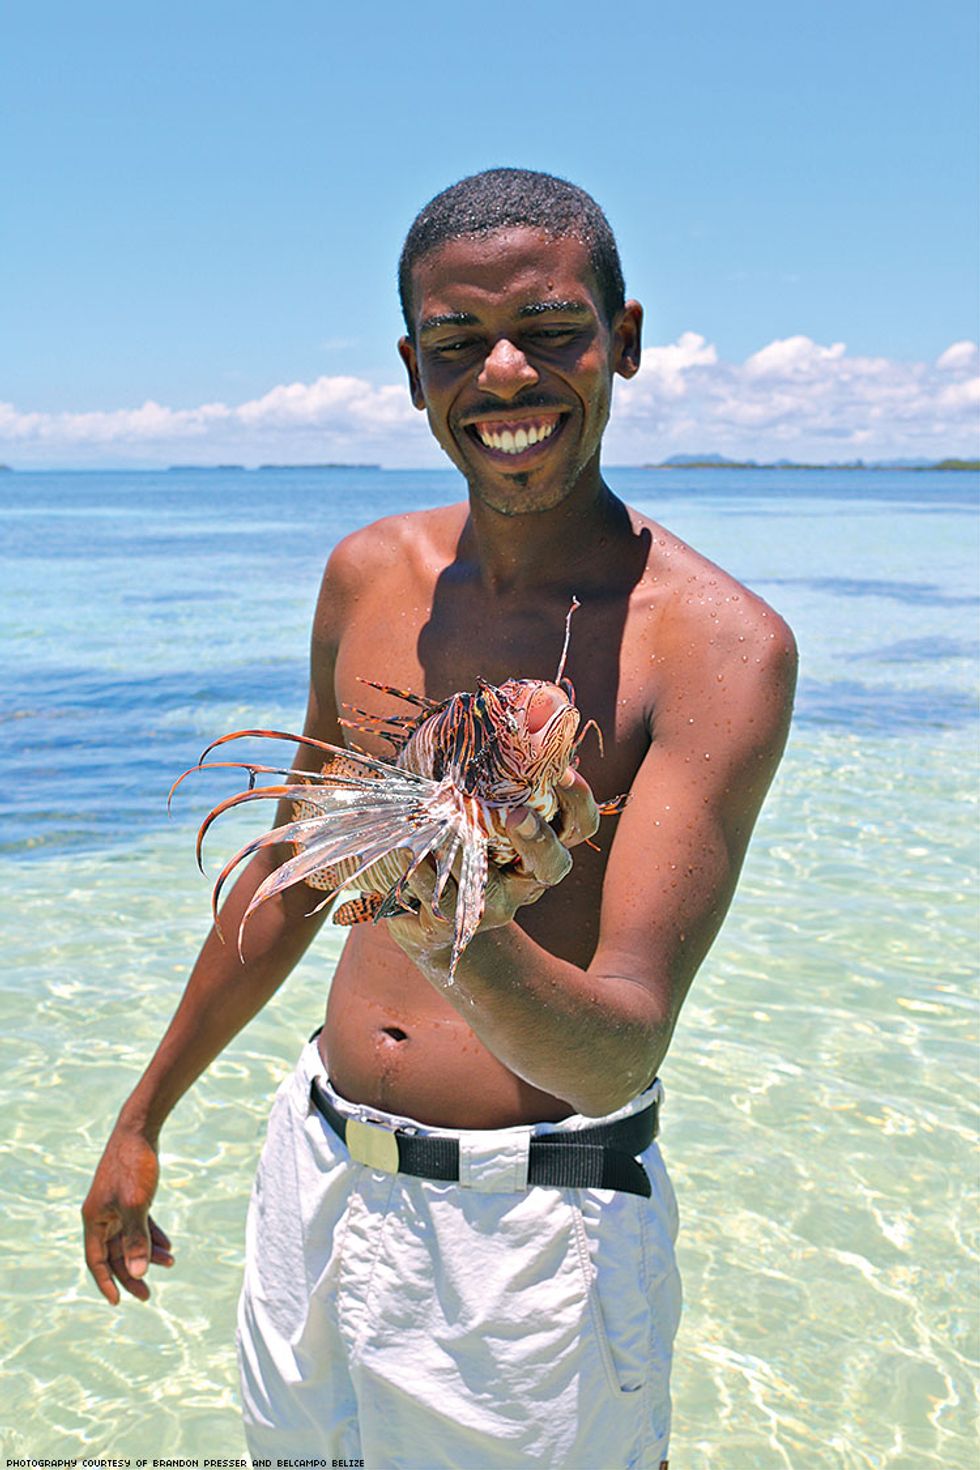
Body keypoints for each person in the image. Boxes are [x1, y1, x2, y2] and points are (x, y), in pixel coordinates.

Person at [82, 168, 796, 1468]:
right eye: (461, 345)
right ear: (415, 373)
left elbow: (617, 1053)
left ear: (623, 341)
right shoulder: (370, 573)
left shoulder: (722, 649)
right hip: (317, 1175)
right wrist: (144, 1113)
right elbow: (292, 870)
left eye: (554, 328)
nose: (508, 375)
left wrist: (457, 929)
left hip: (529, 1249)